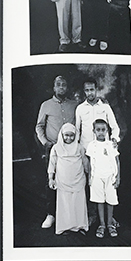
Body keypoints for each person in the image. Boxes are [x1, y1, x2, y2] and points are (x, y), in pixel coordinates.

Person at [35, 76, 77, 229]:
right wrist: (45, 143)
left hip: (71, 150)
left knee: (71, 180)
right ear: (54, 88)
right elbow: (39, 126)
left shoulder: (74, 105)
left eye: (64, 85)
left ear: (67, 87)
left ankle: (70, 214)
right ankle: (51, 214)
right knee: (51, 180)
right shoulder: (46, 105)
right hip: (53, 149)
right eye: (58, 85)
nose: (61, 87)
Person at [48, 123, 89, 235]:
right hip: (62, 181)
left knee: (78, 202)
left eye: (71, 135)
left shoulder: (80, 147)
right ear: (62, 135)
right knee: (65, 204)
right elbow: (52, 164)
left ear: (75, 136)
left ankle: (80, 225)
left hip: (78, 180)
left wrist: (89, 175)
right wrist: (51, 178)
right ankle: (65, 226)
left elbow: (85, 162)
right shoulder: (56, 148)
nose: (69, 138)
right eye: (66, 135)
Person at [86, 119, 120, 238]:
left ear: (107, 131)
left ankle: (110, 224)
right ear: (94, 131)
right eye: (98, 130)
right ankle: (102, 225)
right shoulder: (91, 145)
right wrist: (90, 177)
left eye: (103, 130)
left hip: (110, 176)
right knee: (99, 200)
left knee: (111, 200)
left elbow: (117, 161)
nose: (101, 132)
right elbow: (90, 163)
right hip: (96, 177)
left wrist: (118, 177)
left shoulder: (111, 144)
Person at [75, 79, 120, 150]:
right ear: (84, 91)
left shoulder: (105, 107)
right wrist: (76, 145)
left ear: (96, 89)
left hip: (103, 147)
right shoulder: (80, 108)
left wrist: (114, 139)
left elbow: (114, 127)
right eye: (87, 90)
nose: (90, 93)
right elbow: (77, 129)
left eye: (92, 89)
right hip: (86, 148)